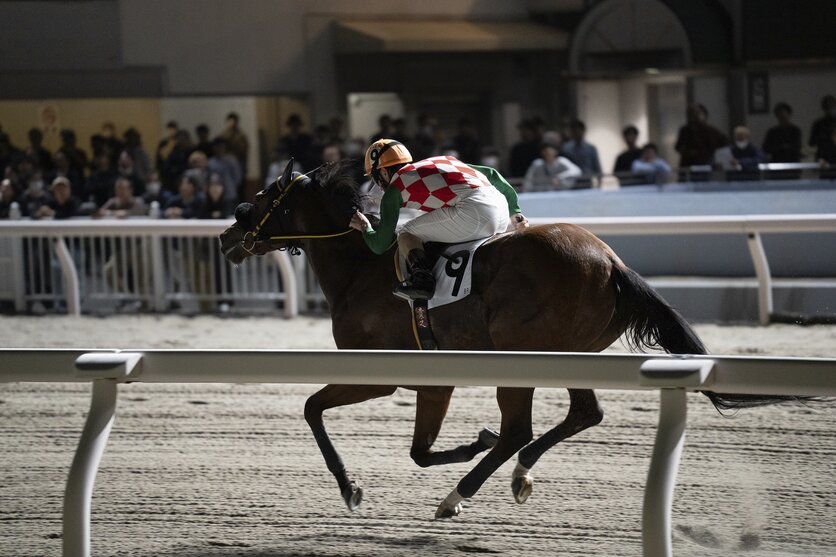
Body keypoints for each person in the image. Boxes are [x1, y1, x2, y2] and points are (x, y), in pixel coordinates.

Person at [348, 139, 529, 301]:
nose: (378, 184)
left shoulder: (394, 189)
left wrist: (365, 227)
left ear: (384, 173)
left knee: (406, 232)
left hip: (475, 212)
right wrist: (516, 212)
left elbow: (380, 245)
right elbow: (492, 174)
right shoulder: (439, 161)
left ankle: (422, 281)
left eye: (376, 177)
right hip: (501, 210)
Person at [675, 103, 728, 177]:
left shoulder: (710, 130)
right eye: (692, 114)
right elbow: (678, 147)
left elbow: (724, 141)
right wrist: (688, 152)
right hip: (688, 164)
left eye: (697, 113)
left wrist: (708, 152)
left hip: (704, 163)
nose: (694, 117)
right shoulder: (685, 130)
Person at [561, 119, 602, 187]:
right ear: (571, 132)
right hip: (571, 182)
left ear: (583, 131)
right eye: (574, 131)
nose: (576, 133)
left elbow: (597, 167)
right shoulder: (566, 148)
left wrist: (599, 183)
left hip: (587, 181)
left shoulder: (591, 148)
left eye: (578, 131)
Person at [809, 94, 836, 161]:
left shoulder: (818, 123)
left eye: (831, 105)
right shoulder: (818, 124)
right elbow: (812, 142)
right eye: (827, 106)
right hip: (823, 158)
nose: (829, 108)